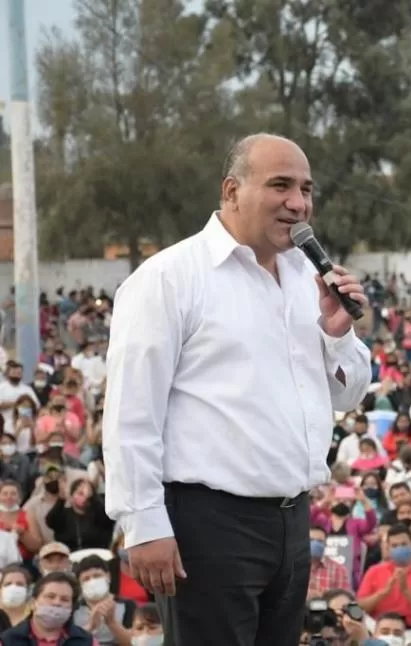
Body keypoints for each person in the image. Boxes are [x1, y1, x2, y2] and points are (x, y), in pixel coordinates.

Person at [103, 133, 371, 646]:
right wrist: (143, 522)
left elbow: (348, 395)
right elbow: (130, 413)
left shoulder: (305, 277)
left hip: (293, 524)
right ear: (232, 191)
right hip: (208, 526)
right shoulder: (169, 279)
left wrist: (338, 337)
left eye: (306, 189)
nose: (298, 202)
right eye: (280, 185)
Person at [0, 571, 96, 645]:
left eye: (64, 599)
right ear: (33, 603)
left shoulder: (86, 641)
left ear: (72, 607)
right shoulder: (8, 640)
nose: (57, 603)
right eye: (50, 596)